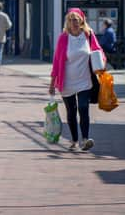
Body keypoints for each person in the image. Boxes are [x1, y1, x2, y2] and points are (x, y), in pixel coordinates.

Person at [49, 8, 105, 151]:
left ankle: (85, 139)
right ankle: (74, 141)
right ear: (67, 22)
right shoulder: (63, 38)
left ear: (82, 20)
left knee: (83, 108)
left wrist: (101, 65)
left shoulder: (88, 35)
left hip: (85, 80)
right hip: (66, 81)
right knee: (71, 112)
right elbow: (56, 61)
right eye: (70, 20)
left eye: (76, 19)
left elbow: (99, 51)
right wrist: (52, 83)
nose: (73, 22)